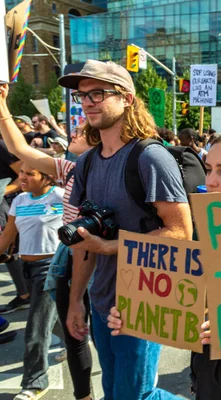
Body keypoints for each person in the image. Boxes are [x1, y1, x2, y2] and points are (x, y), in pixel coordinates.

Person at [108, 130, 221, 399]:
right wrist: (136, 314)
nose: (212, 181)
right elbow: (190, 299)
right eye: (209, 169)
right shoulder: (206, 228)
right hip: (210, 373)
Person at [57, 60, 193, 400]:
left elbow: (181, 233)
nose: (88, 102)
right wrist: (76, 301)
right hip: (102, 301)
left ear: (127, 99)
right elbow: (87, 242)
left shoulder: (150, 157)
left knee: (135, 395)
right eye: (82, 95)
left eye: (98, 93)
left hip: (144, 301)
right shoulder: (87, 161)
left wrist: (111, 247)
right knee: (113, 391)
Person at [0, 82, 95, 400]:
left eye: (80, 130)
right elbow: (20, 149)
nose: (73, 131)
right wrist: (2, 106)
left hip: (73, 264)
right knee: (71, 334)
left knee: (38, 327)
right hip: (53, 267)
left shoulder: (93, 172)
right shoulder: (70, 170)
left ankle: (34, 382)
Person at [0, 163, 63, 400]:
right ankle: (77, 340)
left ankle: (35, 382)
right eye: (21, 173)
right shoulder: (20, 200)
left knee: (36, 326)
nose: (22, 177)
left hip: (51, 268)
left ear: (47, 178)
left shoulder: (60, 196)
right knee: (51, 321)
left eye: (29, 174)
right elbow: (7, 235)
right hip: (27, 268)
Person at [0, 138, 30, 317]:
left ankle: (26, 294)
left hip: (7, 205)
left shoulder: (2, 146)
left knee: (8, 251)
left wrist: (2, 190)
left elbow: (23, 177)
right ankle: (25, 294)